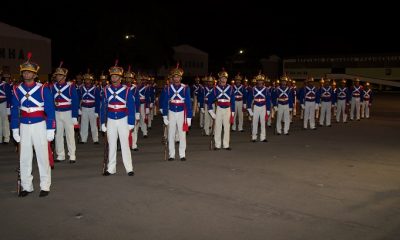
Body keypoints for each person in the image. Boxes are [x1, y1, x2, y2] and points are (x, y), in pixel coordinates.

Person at [11, 53, 55, 197]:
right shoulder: (17, 90)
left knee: (42, 156)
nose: (26, 74)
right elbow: (14, 110)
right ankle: (26, 185)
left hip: (39, 124)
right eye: (24, 71)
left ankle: (45, 185)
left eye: (29, 72)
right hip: (24, 125)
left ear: (35, 74)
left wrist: (50, 128)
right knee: (25, 157)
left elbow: (50, 110)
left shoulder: (43, 89)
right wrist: (15, 129)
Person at [100, 61, 135, 176]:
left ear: (120, 78)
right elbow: (104, 107)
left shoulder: (127, 90)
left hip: (123, 119)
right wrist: (102, 122)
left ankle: (129, 167)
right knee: (112, 144)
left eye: (116, 76)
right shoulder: (106, 90)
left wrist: (131, 122)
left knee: (125, 144)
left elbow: (131, 106)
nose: (113, 78)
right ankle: (111, 168)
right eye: (112, 76)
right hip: (110, 119)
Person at [161, 65, 192, 161]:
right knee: (171, 133)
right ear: (172, 78)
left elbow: (188, 103)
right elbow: (165, 102)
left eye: (178, 77)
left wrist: (189, 117)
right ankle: (172, 155)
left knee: (182, 134)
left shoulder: (185, 88)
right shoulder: (168, 88)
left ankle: (182, 154)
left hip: (182, 112)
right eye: (174, 76)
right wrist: (165, 116)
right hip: (171, 112)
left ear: (180, 78)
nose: (176, 78)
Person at [51, 64, 79, 163]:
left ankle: (72, 155)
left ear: (64, 76)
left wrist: (74, 116)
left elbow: (75, 101)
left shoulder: (70, 86)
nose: (58, 77)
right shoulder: (53, 87)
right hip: (57, 112)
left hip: (68, 112)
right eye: (57, 75)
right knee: (58, 134)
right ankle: (60, 154)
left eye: (60, 75)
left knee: (70, 134)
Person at [207, 69, 235, 150]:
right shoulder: (216, 89)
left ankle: (226, 145)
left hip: (227, 109)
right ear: (220, 79)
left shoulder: (230, 88)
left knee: (227, 127)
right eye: (222, 78)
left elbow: (232, 101)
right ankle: (217, 145)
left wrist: (232, 111)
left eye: (225, 78)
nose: (224, 80)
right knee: (218, 127)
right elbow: (209, 99)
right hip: (219, 108)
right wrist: (211, 111)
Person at [247, 73, 271, 142]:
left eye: (261, 81)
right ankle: (254, 137)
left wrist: (268, 109)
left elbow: (268, 100)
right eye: (258, 81)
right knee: (254, 122)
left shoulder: (266, 89)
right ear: (257, 81)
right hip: (256, 106)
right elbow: (249, 99)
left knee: (263, 122)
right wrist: (249, 108)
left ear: (263, 81)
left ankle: (263, 137)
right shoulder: (253, 89)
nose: (260, 82)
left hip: (263, 106)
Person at [79, 73, 100, 143]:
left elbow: (97, 100)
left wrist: (97, 111)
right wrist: (79, 108)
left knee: (93, 125)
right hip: (84, 108)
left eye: (89, 80)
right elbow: (79, 98)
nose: (87, 81)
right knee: (83, 124)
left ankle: (95, 139)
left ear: (91, 81)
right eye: (86, 80)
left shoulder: (95, 89)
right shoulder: (81, 88)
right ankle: (83, 139)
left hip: (92, 108)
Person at [0, 71, 11, 144]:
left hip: (3, 103)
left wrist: (8, 107)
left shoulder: (5, 85)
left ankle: (6, 138)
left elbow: (9, 97)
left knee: (5, 121)